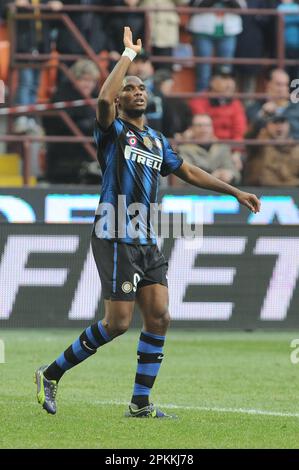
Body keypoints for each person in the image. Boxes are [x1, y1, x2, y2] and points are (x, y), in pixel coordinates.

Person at [34, 26, 260, 419]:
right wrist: (127, 57)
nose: (138, 91)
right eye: (131, 88)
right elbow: (103, 98)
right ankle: (50, 374)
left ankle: (140, 403)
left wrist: (234, 191)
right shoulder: (113, 131)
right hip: (115, 232)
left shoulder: (156, 140)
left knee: (159, 315)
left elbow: (188, 170)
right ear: (121, 100)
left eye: (142, 88)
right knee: (118, 323)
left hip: (146, 236)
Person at [42, 59, 100, 184]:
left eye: (92, 81)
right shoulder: (61, 96)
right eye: (84, 80)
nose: (88, 84)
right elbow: (55, 124)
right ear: (74, 79)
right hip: (64, 159)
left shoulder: (97, 98)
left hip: (91, 157)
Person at [187, 0, 247, 91]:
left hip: (228, 31)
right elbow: (195, 6)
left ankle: (223, 100)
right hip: (203, 30)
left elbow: (241, 8)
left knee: (225, 70)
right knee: (203, 71)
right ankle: (200, 100)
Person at [176, 113, 241, 183]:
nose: (204, 130)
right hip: (195, 192)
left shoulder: (223, 148)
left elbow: (236, 174)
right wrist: (212, 177)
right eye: (199, 126)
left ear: (212, 128)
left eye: (207, 126)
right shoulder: (184, 150)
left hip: (222, 190)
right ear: (191, 129)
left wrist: (229, 175)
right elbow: (183, 178)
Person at [189, 71, 248, 141]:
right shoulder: (198, 101)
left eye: (232, 79)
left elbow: (239, 131)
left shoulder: (236, 103)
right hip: (206, 144)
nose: (229, 84)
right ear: (212, 82)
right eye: (224, 79)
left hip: (230, 146)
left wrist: (236, 149)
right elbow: (202, 128)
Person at [243, 114, 299, 186]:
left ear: (288, 126)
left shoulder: (296, 148)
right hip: (261, 190)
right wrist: (263, 116)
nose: (279, 126)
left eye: (282, 122)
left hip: (292, 190)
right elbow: (249, 136)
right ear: (266, 126)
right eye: (274, 122)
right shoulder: (259, 144)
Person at [247, 68, 299, 139]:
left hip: (293, 147)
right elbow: (251, 134)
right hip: (266, 148)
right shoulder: (256, 108)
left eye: (285, 85)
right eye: (278, 84)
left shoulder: (296, 108)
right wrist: (263, 114)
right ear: (268, 84)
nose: (282, 89)